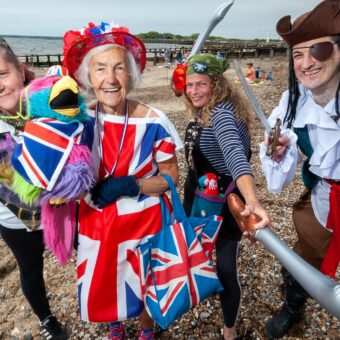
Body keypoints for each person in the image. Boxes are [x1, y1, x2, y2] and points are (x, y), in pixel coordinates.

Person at [62, 22, 183, 340]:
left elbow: (171, 176)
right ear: (89, 77)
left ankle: (145, 330)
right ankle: (114, 324)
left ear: (131, 75)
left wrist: (132, 185)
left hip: (142, 225)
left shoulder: (155, 121)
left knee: (144, 282)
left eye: (119, 68)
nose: (110, 78)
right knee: (103, 280)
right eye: (100, 69)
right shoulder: (77, 121)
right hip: (95, 223)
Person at [259, 0, 340, 338]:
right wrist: (277, 152)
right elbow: (277, 181)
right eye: (297, 54)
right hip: (324, 197)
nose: (307, 63)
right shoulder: (292, 104)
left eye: (318, 49)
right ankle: (293, 306)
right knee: (303, 258)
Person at [177, 53, 271, 340]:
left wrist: (252, 201)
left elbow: (234, 156)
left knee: (227, 268)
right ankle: (200, 287)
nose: (193, 91)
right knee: (196, 249)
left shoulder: (222, 114)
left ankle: (229, 330)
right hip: (198, 193)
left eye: (201, 84)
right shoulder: (204, 107)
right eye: (189, 85)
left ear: (216, 84)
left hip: (224, 203)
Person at [0, 39, 69, 339]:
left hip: (64, 206)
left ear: (20, 70)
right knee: (30, 268)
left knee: (87, 247)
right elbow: (9, 184)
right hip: (15, 219)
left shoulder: (47, 102)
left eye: (2, 74)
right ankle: (46, 319)